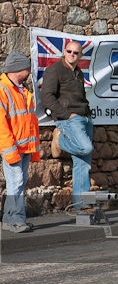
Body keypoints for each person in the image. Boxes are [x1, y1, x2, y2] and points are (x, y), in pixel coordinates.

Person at [40, 40, 94, 210]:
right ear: (64, 51)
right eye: (69, 51)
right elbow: (47, 98)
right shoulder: (54, 70)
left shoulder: (78, 72)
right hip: (69, 119)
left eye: (76, 52)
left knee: (82, 164)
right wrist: (66, 115)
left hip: (85, 118)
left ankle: (82, 205)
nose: (72, 54)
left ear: (80, 55)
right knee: (86, 148)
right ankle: (60, 142)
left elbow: (80, 96)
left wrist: (88, 113)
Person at [0, 53, 40, 233]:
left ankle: (9, 220)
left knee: (18, 183)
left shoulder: (21, 90)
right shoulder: (4, 90)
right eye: (27, 68)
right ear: (18, 70)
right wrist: (10, 150)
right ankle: (16, 220)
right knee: (16, 182)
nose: (30, 71)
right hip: (13, 147)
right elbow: (1, 125)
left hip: (23, 146)